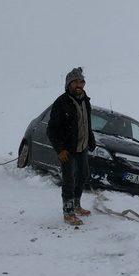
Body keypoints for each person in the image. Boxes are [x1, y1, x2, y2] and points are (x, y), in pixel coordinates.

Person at [47, 67, 96, 225]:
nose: (79, 84)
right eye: (75, 82)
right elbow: (51, 129)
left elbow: (86, 123)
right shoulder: (61, 103)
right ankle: (68, 212)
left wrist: (91, 139)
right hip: (67, 150)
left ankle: (76, 204)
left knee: (83, 175)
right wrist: (59, 149)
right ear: (68, 84)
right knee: (69, 180)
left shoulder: (85, 101)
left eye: (81, 81)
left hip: (81, 147)